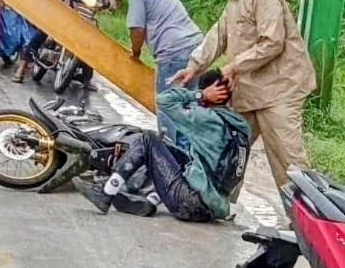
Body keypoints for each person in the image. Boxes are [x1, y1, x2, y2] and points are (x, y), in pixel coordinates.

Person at [169, 0, 316, 189]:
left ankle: (303, 220)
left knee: (288, 160)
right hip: (250, 90)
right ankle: (216, 205)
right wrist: (194, 65)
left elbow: (272, 42)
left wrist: (234, 66)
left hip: (280, 90)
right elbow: (220, 34)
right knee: (230, 150)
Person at [74, 70, 250, 222]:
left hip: (190, 203)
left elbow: (164, 100)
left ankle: (106, 192)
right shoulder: (240, 125)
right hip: (215, 208)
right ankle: (151, 199)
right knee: (174, 152)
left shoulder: (204, 117)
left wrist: (199, 95)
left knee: (148, 139)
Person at [125, 0, 204, 149]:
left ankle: (171, 158)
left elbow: (136, 29)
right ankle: (190, 156)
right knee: (187, 105)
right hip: (196, 47)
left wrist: (135, 52)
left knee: (168, 107)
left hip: (173, 53)